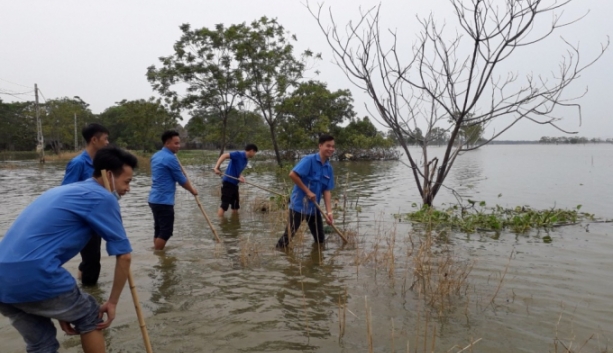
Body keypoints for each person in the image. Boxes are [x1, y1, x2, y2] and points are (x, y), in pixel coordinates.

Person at [0, 146, 137, 353]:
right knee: (92, 316)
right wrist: (112, 302)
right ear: (109, 175)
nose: (128, 189)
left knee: (41, 343)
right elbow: (124, 256)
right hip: (35, 275)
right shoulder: (103, 197)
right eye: (126, 182)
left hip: (3, 281)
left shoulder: (64, 190)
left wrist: (65, 311)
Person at [62, 123, 110, 286]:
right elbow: (66, 193)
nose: (107, 142)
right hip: (83, 219)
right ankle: (90, 299)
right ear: (94, 140)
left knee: (91, 257)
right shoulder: (78, 163)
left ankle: (84, 285)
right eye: (105, 139)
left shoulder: (100, 163)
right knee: (93, 261)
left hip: (96, 217)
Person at [276, 134, 336, 249]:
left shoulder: (328, 168)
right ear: (320, 146)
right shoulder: (309, 160)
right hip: (298, 206)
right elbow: (292, 175)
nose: (331, 149)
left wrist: (329, 213)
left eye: (333, 146)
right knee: (288, 237)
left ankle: (316, 263)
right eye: (328, 146)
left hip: (315, 208)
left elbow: (327, 191)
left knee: (320, 240)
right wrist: (307, 191)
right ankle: (278, 253)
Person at [149, 130, 198, 251]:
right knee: (166, 232)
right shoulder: (170, 158)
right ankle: (158, 253)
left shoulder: (155, 156)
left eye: (179, 143)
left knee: (159, 229)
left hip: (154, 199)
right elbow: (181, 180)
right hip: (164, 201)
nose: (178, 146)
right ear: (167, 143)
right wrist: (193, 190)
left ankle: (156, 254)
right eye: (176, 143)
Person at [213, 144, 259, 217]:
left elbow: (237, 172)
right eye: (255, 152)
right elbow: (224, 156)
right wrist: (216, 168)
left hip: (234, 184)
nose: (254, 154)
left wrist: (241, 177)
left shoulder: (245, 160)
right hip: (228, 183)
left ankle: (234, 225)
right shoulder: (238, 154)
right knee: (224, 206)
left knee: (235, 206)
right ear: (251, 151)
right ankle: (219, 223)